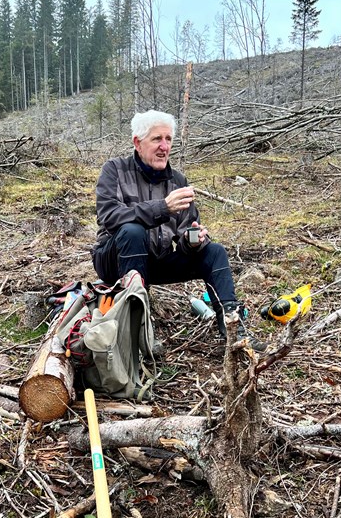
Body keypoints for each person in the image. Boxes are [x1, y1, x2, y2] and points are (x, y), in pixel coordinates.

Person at [91, 110, 265, 351]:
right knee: (132, 231)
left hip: (155, 263)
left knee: (214, 252)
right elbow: (109, 216)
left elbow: (187, 230)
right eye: (157, 139)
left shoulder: (177, 181)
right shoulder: (115, 171)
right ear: (137, 143)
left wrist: (193, 241)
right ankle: (138, 330)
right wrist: (162, 207)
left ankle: (233, 327)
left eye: (169, 139)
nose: (164, 147)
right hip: (114, 261)